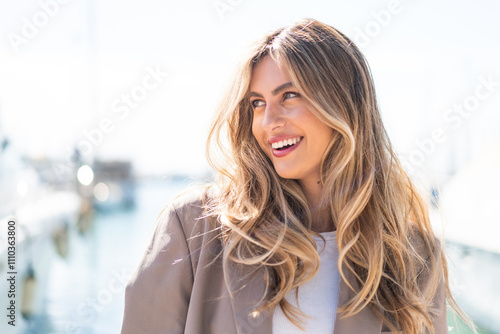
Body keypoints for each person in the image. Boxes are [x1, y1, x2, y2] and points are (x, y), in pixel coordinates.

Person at [121, 18, 472, 334]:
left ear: (343, 106)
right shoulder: (194, 227)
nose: (268, 121)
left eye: (289, 96)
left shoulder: (412, 255)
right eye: (257, 103)